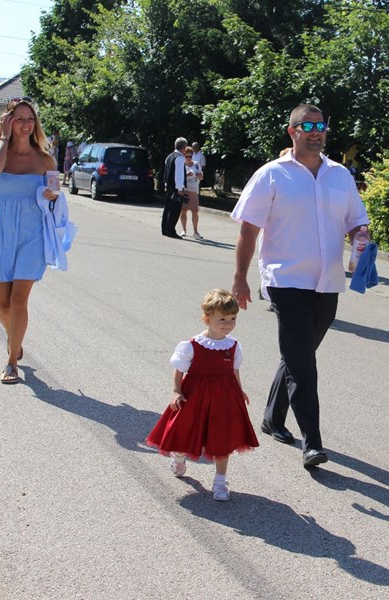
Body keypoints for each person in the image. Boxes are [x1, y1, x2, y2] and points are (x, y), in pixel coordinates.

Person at [231, 103, 369, 469]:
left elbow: (356, 220)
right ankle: (313, 442)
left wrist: (360, 235)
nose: (316, 132)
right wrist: (240, 277)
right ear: (292, 131)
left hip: (327, 282)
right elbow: (248, 230)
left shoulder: (340, 175)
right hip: (286, 279)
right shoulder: (271, 175)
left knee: (298, 355)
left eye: (321, 126)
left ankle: (272, 417)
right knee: (304, 364)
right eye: (307, 126)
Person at [146, 289, 259, 501]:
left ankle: (220, 482)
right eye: (222, 319)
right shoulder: (192, 345)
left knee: (222, 438)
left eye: (233, 318)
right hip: (195, 396)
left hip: (224, 398)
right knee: (187, 431)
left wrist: (239, 390)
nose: (228, 323)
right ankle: (179, 456)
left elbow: (234, 370)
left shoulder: (233, 346)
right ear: (208, 318)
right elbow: (179, 370)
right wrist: (176, 391)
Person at [0, 98, 59, 385]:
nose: (26, 124)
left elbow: (55, 189)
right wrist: (4, 137)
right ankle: (14, 337)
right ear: (8, 121)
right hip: (1, 233)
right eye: (19, 119)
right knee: (2, 306)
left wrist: (51, 194)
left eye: (30, 118)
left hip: (32, 234)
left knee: (18, 300)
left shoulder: (45, 158)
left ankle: (11, 361)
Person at [161, 137, 188, 239]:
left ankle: (165, 228)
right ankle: (171, 230)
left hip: (169, 186)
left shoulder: (169, 156)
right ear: (184, 147)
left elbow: (166, 173)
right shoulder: (179, 158)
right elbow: (179, 175)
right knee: (175, 210)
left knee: (167, 208)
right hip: (176, 188)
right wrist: (180, 189)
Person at [179, 146, 203, 239]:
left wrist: (199, 175)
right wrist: (186, 175)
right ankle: (184, 230)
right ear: (184, 156)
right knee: (183, 210)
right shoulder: (182, 165)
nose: (189, 158)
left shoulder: (196, 164)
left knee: (195, 211)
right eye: (187, 156)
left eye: (190, 156)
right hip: (184, 190)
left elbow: (201, 177)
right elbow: (178, 177)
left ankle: (195, 232)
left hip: (194, 190)